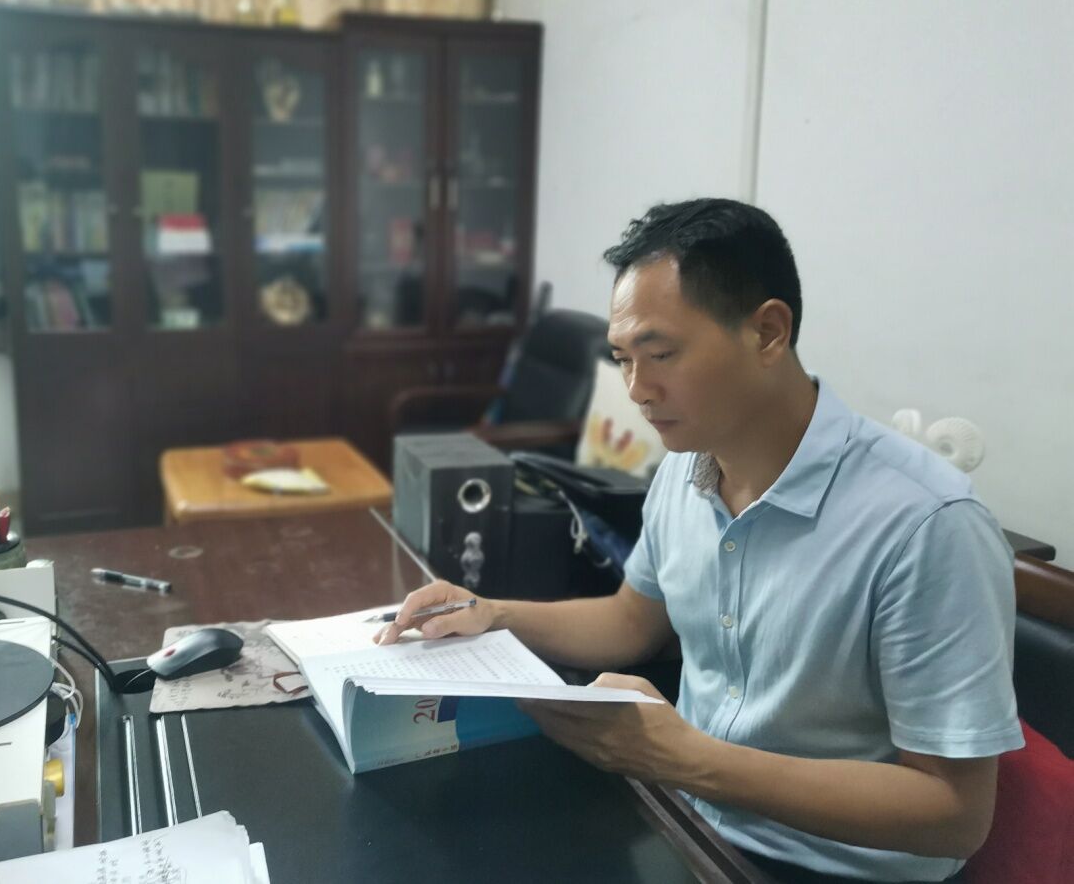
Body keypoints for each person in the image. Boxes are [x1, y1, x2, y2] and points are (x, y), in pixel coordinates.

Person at [377, 199, 1022, 884]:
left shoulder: (925, 523)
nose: (637, 390)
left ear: (767, 332)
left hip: (829, 867)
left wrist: (683, 758)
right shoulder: (685, 470)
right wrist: (493, 613)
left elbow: (954, 814)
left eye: (660, 354)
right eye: (623, 359)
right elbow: (631, 621)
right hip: (690, 821)